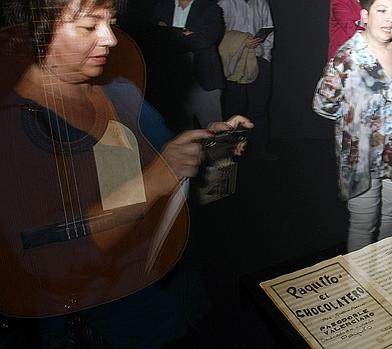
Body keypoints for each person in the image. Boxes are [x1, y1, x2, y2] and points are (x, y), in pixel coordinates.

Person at [0, 0, 251, 347]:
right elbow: (50, 259)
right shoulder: (16, 128)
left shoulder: (120, 91)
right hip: (112, 321)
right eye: (89, 26)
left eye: (111, 22)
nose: (111, 38)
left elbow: (152, 163)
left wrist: (208, 145)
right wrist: (156, 179)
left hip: (174, 296)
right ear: (32, 33)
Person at [313, 0, 392, 252]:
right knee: (362, 224)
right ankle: (358, 287)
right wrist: (357, 123)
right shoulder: (347, 55)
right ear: (364, 15)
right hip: (361, 157)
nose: (390, 19)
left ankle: (383, 276)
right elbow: (322, 103)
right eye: (382, 11)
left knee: (390, 216)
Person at [151, 0, 226, 132]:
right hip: (170, 81)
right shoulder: (162, 7)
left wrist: (169, 34)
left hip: (203, 80)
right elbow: (152, 38)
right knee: (178, 134)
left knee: (214, 132)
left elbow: (205, 40)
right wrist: (183, 34)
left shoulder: (211, 8)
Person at [218, 0, 277, 160]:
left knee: (260, 108)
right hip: (234, 63)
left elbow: (268, 31)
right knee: (234, 108)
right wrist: (241, 42)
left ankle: (260, 149)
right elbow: (218, 33)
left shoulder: (261, 3)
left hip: (258, 60)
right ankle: (231, 153)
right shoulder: (226, 3)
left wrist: (265, 58)